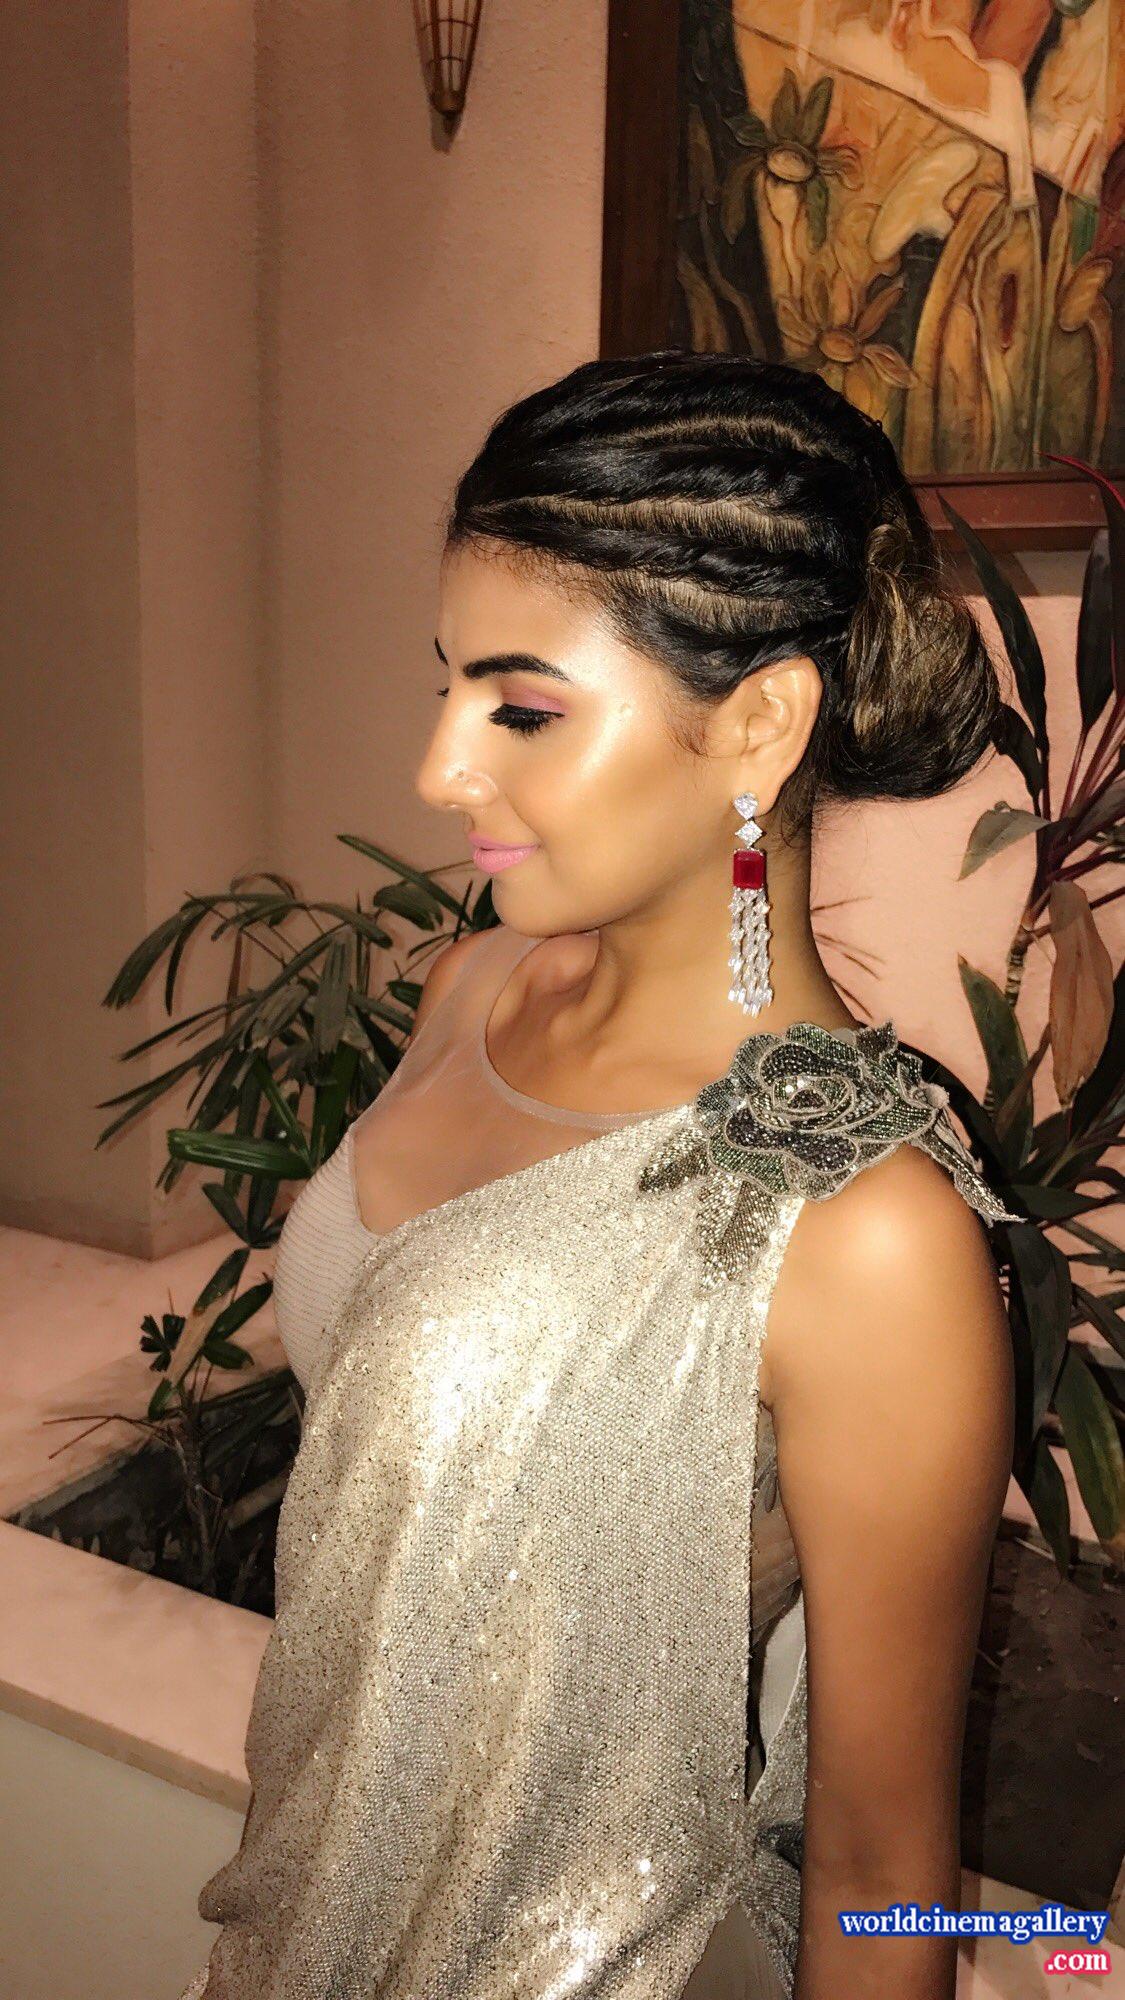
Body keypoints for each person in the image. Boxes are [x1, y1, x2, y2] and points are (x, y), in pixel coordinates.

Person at [179, 352, 1019, 2000]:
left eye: (520, 706)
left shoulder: (860, 1233)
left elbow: (879, 1863)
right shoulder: (475, 990)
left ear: (758, 723)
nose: (440, 769)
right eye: (446, 687)